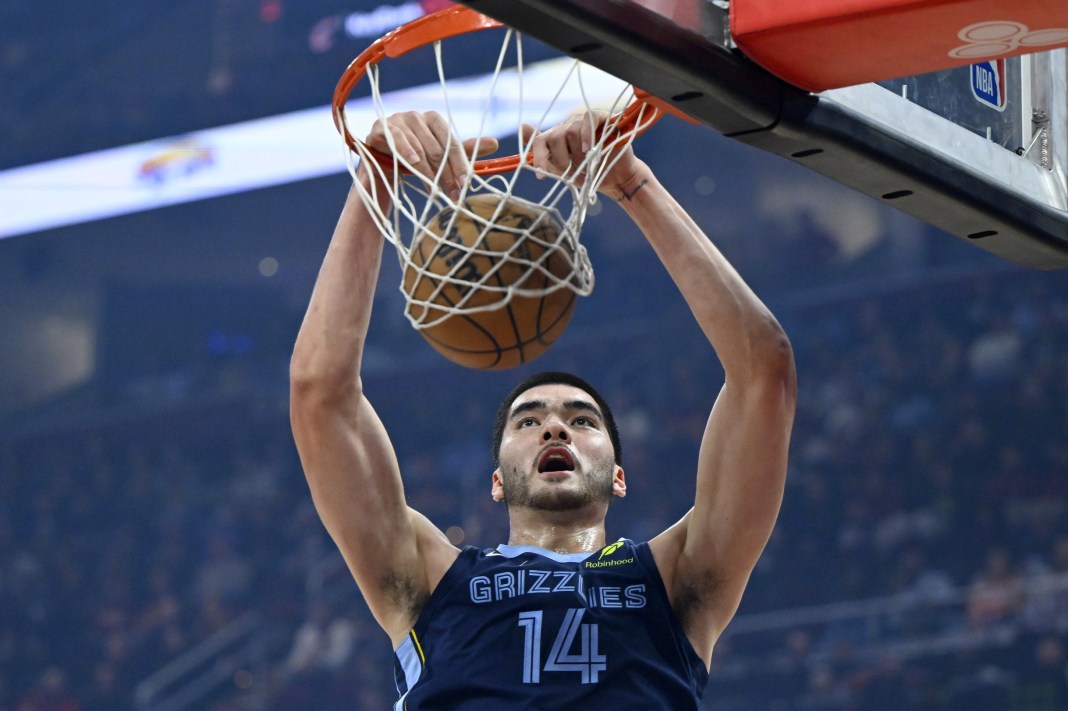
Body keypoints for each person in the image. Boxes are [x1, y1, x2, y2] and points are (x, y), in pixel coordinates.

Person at [289, 110, 797, 707]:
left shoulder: (676, 579)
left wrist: (631, 183)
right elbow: (320, 394)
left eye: (584, 420)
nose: (556, 424)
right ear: (497, 482)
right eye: (528, 421)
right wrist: (373, 180)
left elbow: (765, 371)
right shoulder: (428, 580)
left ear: (619, 475)